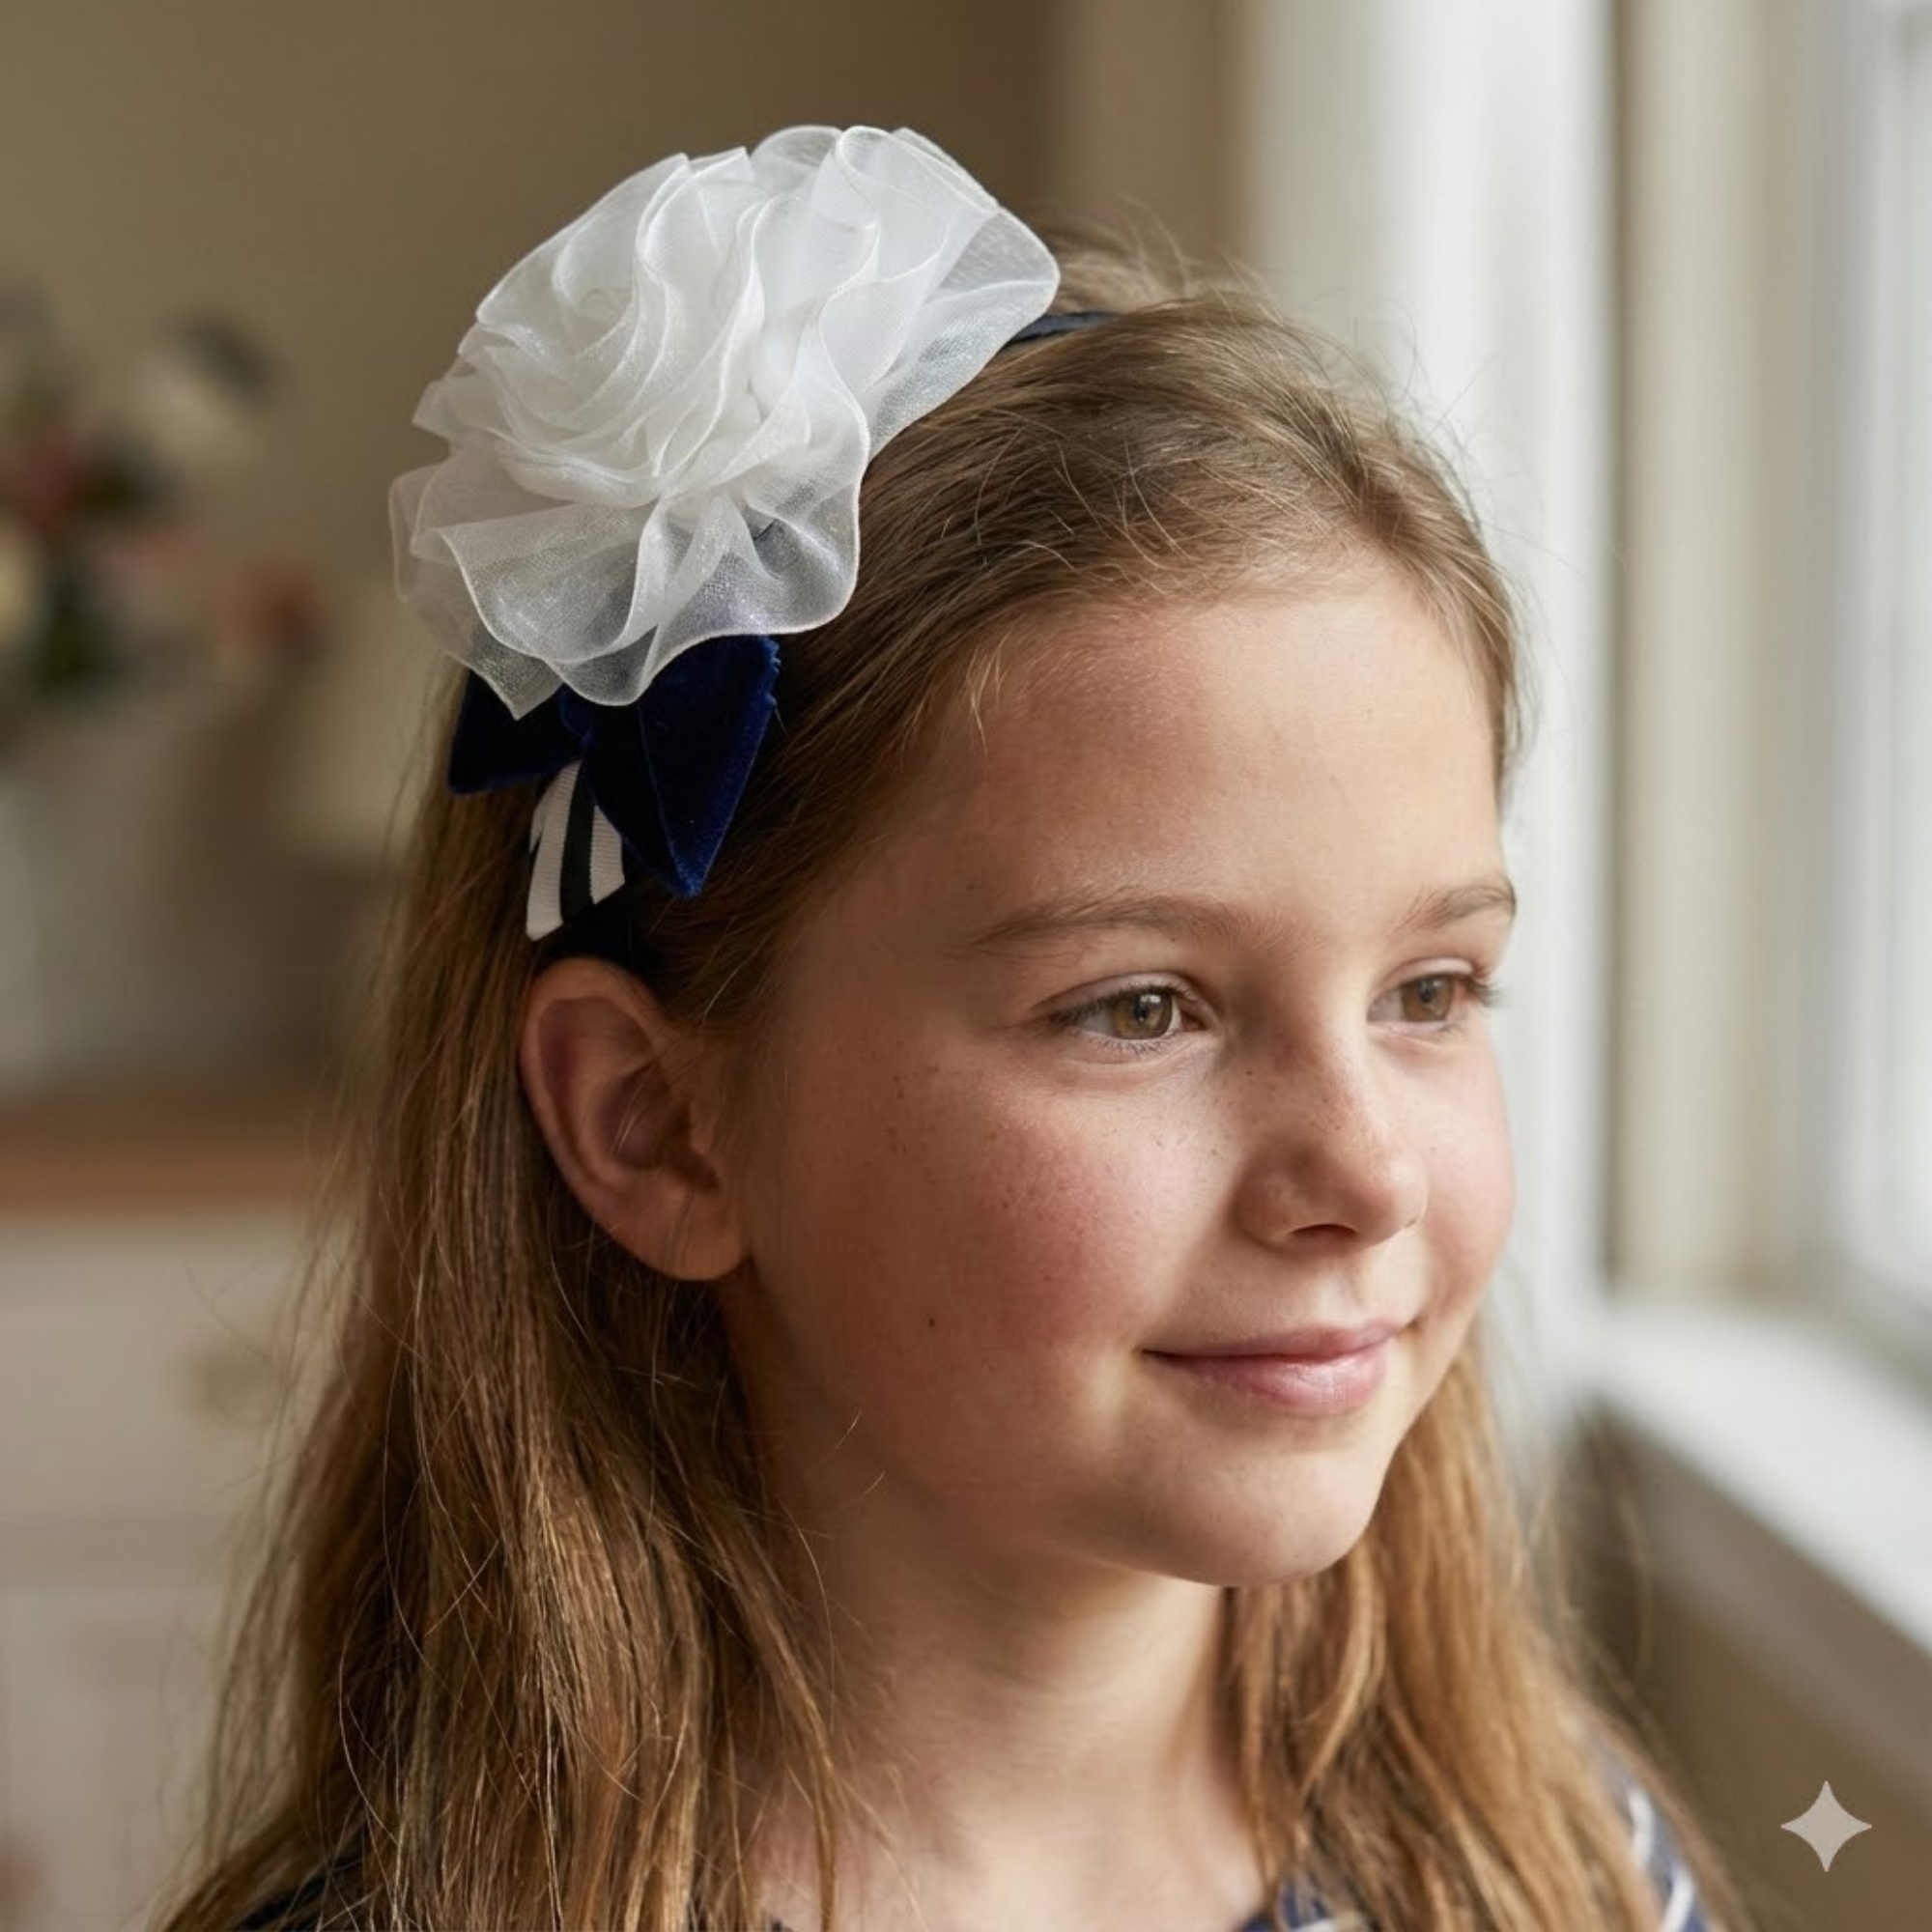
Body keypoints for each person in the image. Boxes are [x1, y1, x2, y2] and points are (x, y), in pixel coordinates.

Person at [160, 127, 1747, 1931]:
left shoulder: (1565, 1872)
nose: (1367, 1172)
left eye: (1430, 993)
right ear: (657, 1126)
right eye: (1141, 1009)